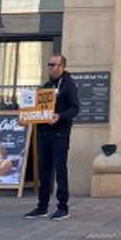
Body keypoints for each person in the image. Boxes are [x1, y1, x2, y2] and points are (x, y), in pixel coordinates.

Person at [24, 54, 79, 220]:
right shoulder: (47, 86)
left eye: (53, 64)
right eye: (48, 64)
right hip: (44, 132)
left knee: (60, 170)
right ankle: (42, 206)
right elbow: (36, 108)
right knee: (44, 171)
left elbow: (74, 108)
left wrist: (60, 116)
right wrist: (25, 117)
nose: (49, 67)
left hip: (60, 133)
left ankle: (63, 207)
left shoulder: (68, 85)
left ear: (61, 67)